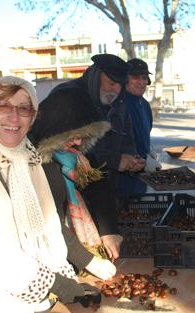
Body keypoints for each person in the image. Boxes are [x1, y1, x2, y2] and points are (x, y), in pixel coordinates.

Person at [0, 76, 99, 313]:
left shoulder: (26, 157)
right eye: (2, 106)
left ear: (33, 117)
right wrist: (53, 284)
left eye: (24, 109)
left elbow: (48, 225)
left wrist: (64, 275)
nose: (14, 118)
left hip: (23, 299)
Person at [46, 54, 145, 260]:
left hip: (104, 191)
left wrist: (131, 157)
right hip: (66, 203)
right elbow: (86, 163)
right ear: (95, 76)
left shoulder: (118, 101)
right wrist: (116, 160)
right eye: (111, 83)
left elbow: (90, 171)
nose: (116, 90)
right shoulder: (68, 99)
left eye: (120, 85)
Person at [29, 87, 117, 280]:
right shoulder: (39, 168)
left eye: (83, 136)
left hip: (74, 256)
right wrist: (88, 261)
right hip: (50, 266)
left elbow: (99, 186)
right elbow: (50, 224)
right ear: (55, 132)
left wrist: (109, 230)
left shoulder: (77, 156)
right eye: (73, 135)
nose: (78, 142)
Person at [117, 58, 161, 197]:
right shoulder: (118, 104)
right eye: (135, 77)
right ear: (125, 79)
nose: (141, 82)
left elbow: (144, 136)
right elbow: (117, 143)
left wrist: (149, 154)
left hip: (142, 175)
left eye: (144, 77)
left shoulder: (145, 105)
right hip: (122, 176)